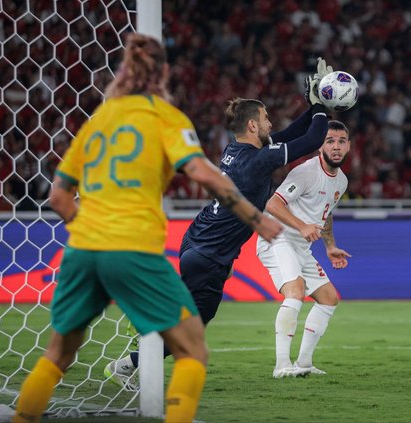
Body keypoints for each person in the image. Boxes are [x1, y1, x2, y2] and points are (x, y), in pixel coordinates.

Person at [12, 33, 283, 423]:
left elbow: (58, 198)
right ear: (165, 74)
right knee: (192, 349)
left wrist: (89, 229)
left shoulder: (100, 119)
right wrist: (258, 219)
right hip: (132, 248)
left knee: (59, 354)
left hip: (83, 248)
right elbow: (204, 173)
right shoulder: (166, 117)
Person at [105, 58, 338, 386]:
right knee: (193, 328)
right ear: (253, 126)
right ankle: (129, 362)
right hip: (209, 254)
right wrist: (323, 105)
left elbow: (292, 134)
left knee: (186, 318)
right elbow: (311, 141)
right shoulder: (258, 161)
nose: (271, 122)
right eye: (266, 118)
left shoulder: (237, 151)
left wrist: (313, 104)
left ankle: (147, 326)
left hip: (197, 240)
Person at [256, 119, 352, 378]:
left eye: (341, 141)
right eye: (330, 140)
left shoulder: (341, 181)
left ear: (348, 146)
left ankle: (304, 364)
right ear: (320, 145)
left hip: (300, 246)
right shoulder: (306, 171)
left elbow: (326, 213)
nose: (336, 146)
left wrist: (330, 246)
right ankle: (281, 365)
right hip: (276, 238)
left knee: (329, 298)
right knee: (295, 292)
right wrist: (301, 226)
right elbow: (273, 204)